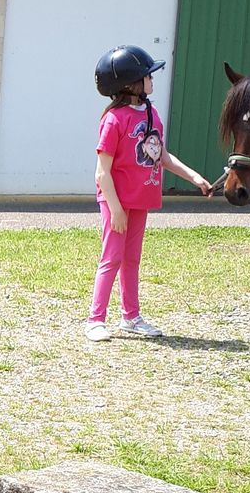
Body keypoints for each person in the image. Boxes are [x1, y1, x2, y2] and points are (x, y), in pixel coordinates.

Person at [86, 46, 213, 342]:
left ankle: (131, 317)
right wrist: (115, 208)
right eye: (147, 76)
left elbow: (162, 155)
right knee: (112, 258)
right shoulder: (114, 120)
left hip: (139, 198)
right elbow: (101, 172)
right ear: (131, 84)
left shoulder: (152, 114)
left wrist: (194, 177)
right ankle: (95, 319)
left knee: (132, 259)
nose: (152, 79)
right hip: (116, 199)